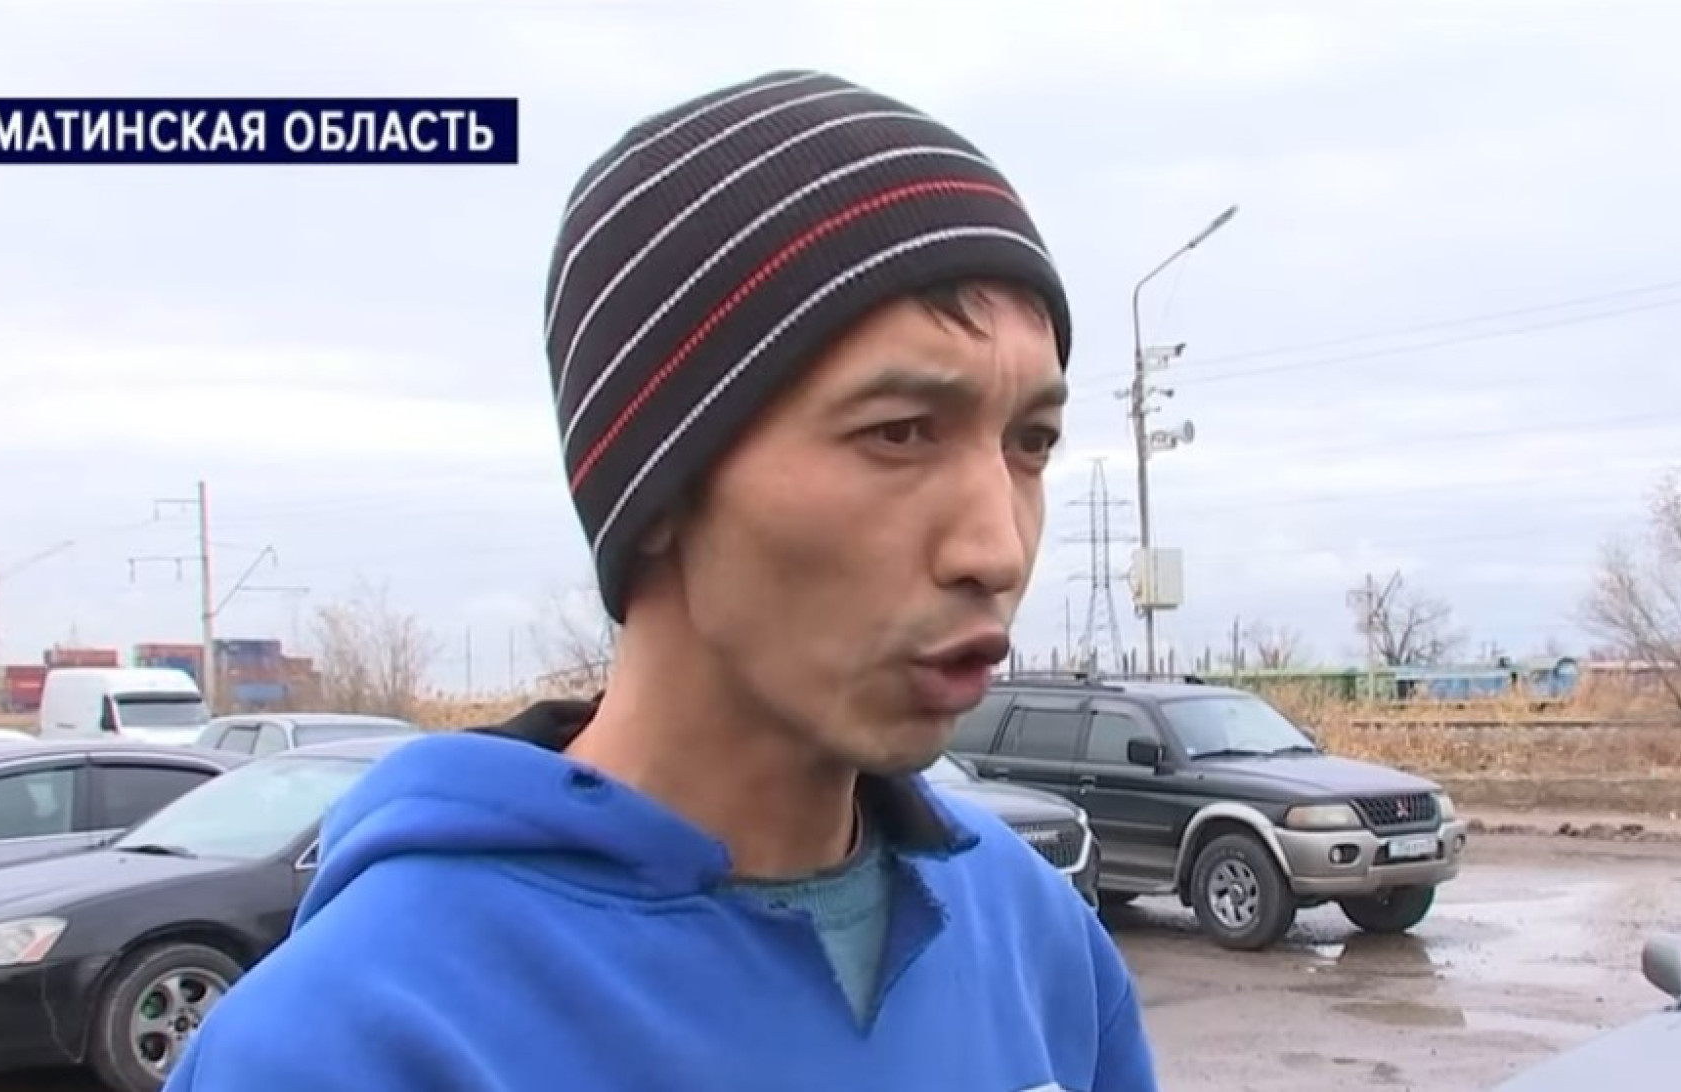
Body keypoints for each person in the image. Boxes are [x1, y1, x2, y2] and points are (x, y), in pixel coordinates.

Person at [165, 68, 1159, 1092]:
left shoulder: (1038, 941)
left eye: (1029, 443)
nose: (996, 549)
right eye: (899, 434)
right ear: (657, 490)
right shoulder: (352, 1041)